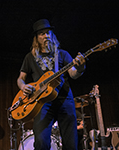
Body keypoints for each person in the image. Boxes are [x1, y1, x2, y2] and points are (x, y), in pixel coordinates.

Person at [17, 19, 86, 149]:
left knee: (71, 143)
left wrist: (81, 67)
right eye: (42, 33)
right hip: (42, 102)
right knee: (41, 142)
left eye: (48, 32)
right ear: (37, 38)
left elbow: (73, 74)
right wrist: (23, 86)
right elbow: (20, 78)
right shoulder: (30, 57)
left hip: (64, 99)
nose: (46, 36)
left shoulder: (62, 54)